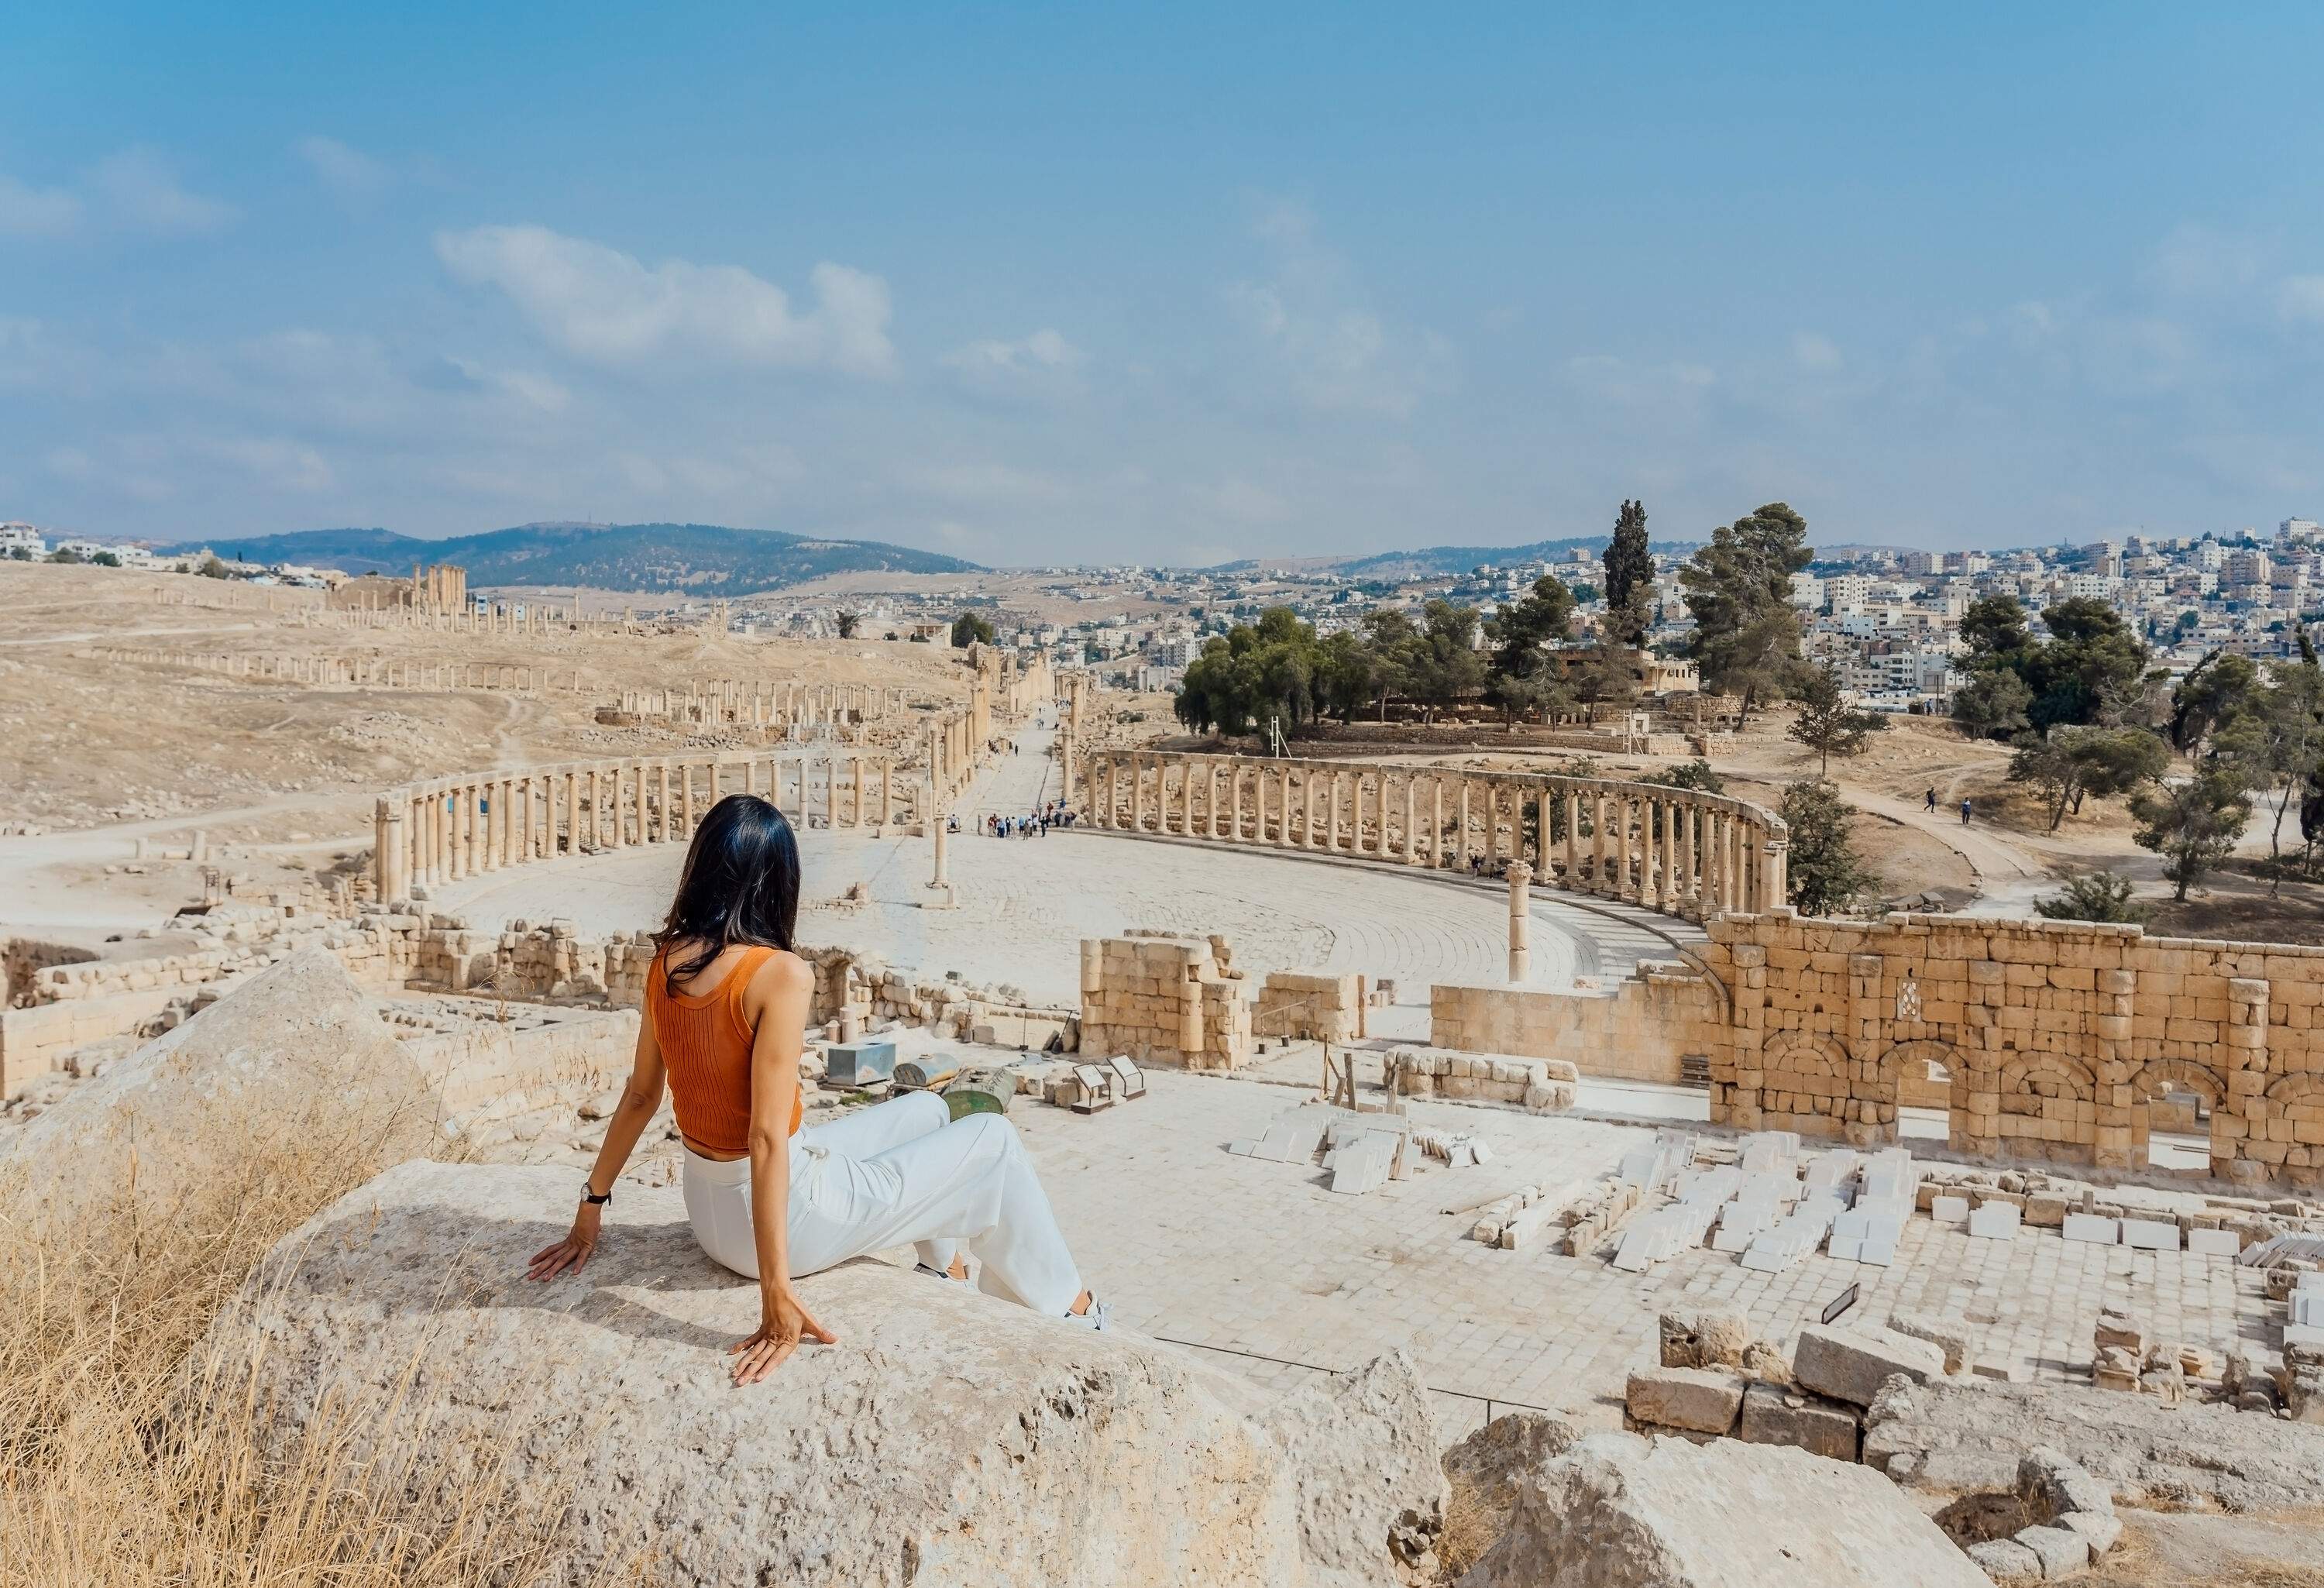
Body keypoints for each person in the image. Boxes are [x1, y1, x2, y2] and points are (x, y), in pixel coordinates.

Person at [526, 794, 1106, 1384]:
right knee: (995, 1140)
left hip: (707, 1214)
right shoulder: (779, 974)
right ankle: (1072, 1311)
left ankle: (943, 1271)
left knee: (929, 1111)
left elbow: (641, 1097)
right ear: (778, 881)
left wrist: (589, 1210)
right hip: (786, 1223)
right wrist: (775, 1297)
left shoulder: (665, 963)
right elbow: (766, 1137)